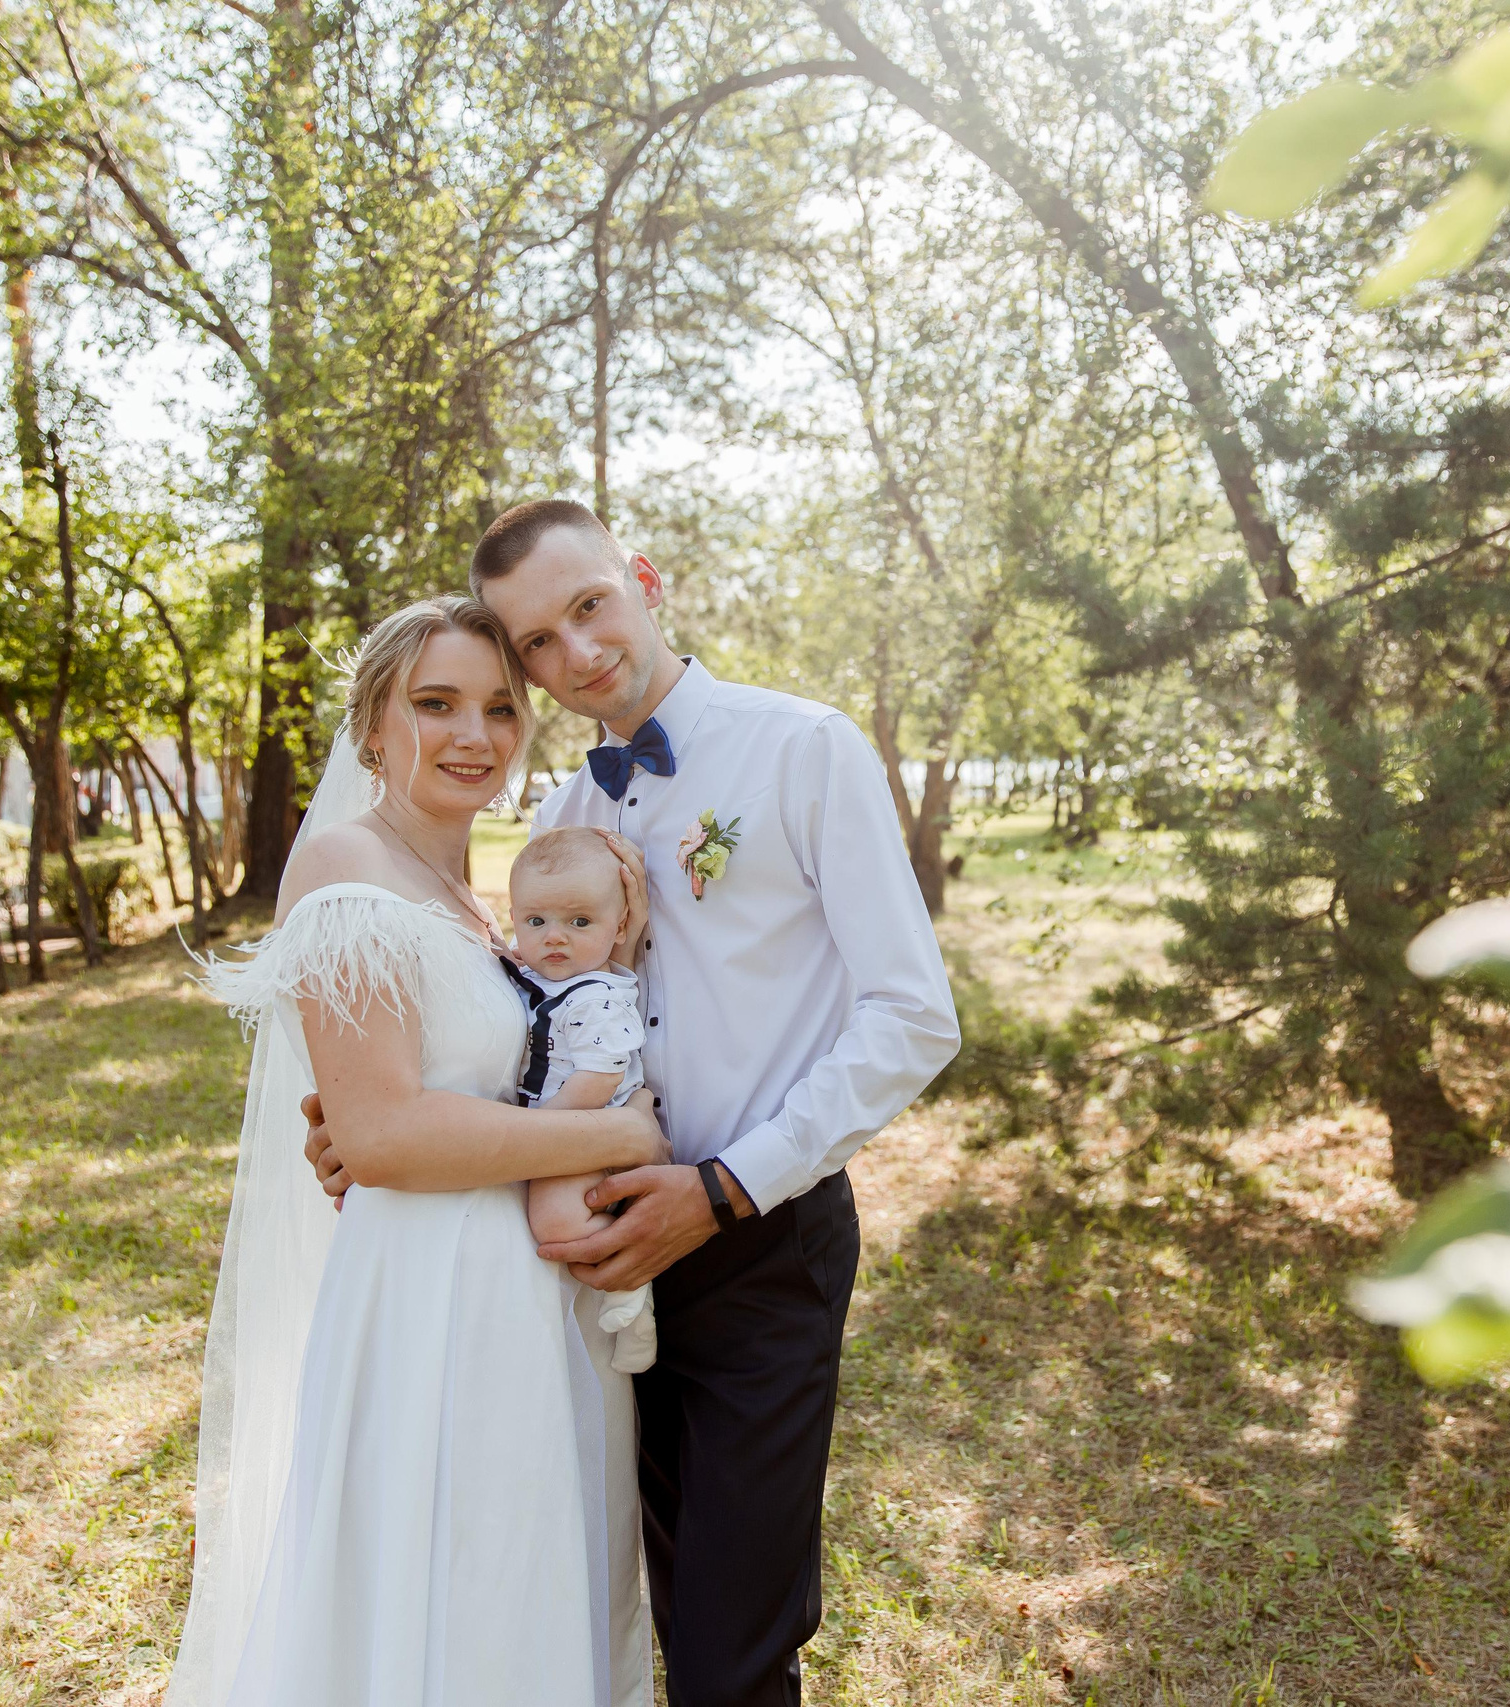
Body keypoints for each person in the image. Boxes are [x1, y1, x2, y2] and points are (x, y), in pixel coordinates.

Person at [307, 499, 962, 1706]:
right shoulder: (559, 819)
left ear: (643, 581)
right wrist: (367, 1116)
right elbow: (532, 1019)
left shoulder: (802, 749)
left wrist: (722, 1188)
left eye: (588, 608)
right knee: (593, 1599)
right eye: (537, 643)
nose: (575, 654)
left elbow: (912, 1015)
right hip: (581, 1258)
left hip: (759, 1235)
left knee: (729, 1642)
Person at [166, 595, 665, 1707]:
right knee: (447, 1608)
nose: (471, 733)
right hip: (432, 1305)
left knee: (512, 1599)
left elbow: (421, 1095)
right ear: (373, 727)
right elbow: (386, 1134)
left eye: (498, 707)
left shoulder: (476, 898)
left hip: (516, 1302)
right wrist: (618, 1131)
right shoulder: (349, 865)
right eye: (434, 703)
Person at [510, 826, 660, 1375]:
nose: (555, 938)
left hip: (589, 1126)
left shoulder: (597, 995)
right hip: (556, 1126)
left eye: (579, 923)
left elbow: (598, 1079)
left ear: (619, 926)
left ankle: (635, 1286)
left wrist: (528, 1136)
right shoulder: (536, 977)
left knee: (556, 1222)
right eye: (536, 921)